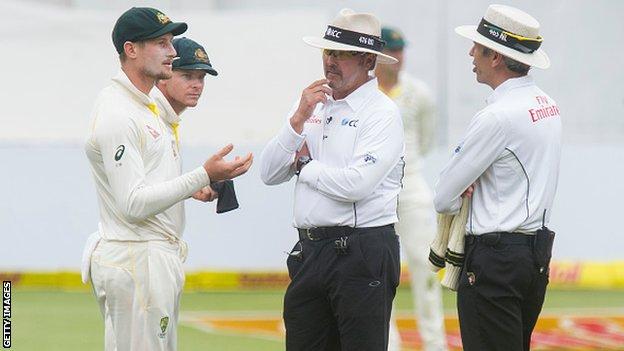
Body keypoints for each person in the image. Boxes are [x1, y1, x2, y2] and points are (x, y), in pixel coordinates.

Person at [84, 7, 252, 351]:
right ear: (131, 50)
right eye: (162, 43)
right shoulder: (120, 112)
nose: (172, 52)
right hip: (137, 259)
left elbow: (145, 185)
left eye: (171, 43)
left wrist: (194, 188)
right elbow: (132, 204)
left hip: (150, 257)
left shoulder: (143, 108)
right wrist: (203, 174)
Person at [260, 8, 405, 350]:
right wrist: (297, 119)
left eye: (343, 54)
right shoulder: (313, 106)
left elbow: (356, 185)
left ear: (368, 59)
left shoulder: (382, 113)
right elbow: (268, 172)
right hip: (310, 251)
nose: (331, 61)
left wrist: (305, 167)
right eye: (329, 51)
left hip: (361, 250)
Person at [434, 4, 561, 351]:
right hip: (533, 254)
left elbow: (443, 196)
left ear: (497, 58)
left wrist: (464, 187)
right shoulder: (547, 105)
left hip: (495, 259)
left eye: (479, 47)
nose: (471, 52)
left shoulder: (497, 116)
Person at [376, 27, 448, 351]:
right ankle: (389, 344)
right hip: (375, 191)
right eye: (392, 50)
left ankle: (435, 344)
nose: (399, 56)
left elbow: (428, 139)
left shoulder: (420, 93)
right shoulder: (365, 93)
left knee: (426, 265)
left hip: (412, 185)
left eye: (402, 49)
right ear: (377, 55)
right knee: (381, 270)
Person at [153, 36, 220, 203]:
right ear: (163, 76)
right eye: (187, 76)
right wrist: (203, 175)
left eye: (201, 77)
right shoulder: (150, 121)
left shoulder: (167, 119)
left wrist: (193, 188)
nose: (197, 85)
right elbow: (136, 199)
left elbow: (155, 187)